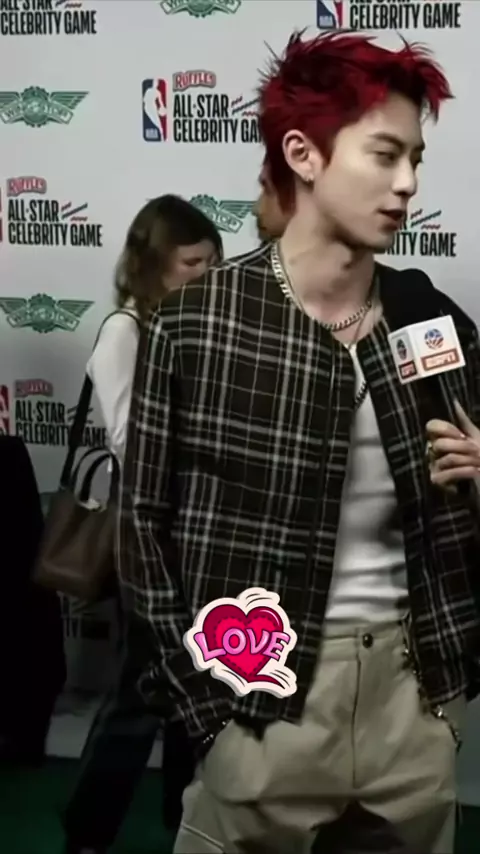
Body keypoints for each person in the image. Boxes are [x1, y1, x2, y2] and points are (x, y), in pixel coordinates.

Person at [118, 32, 480, 854]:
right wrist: (208, 715)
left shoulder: (432, 320)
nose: (407, 182)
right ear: (303, 155)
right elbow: (141, 528)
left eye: (415, 158)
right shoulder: (197, 324)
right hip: (257, 701)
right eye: (384, 154)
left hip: (413, 703)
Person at [63, 195, 223, 854]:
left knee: (196, 687)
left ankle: (181, 816)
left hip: (197, 532)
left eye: (212, 262)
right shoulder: (125, 332)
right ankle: (87, 830)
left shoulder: (193, 326)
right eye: (192, 263)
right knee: (139, 693)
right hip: (148, 537)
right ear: (153, 264)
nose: (206, 275)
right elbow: (133, 442)